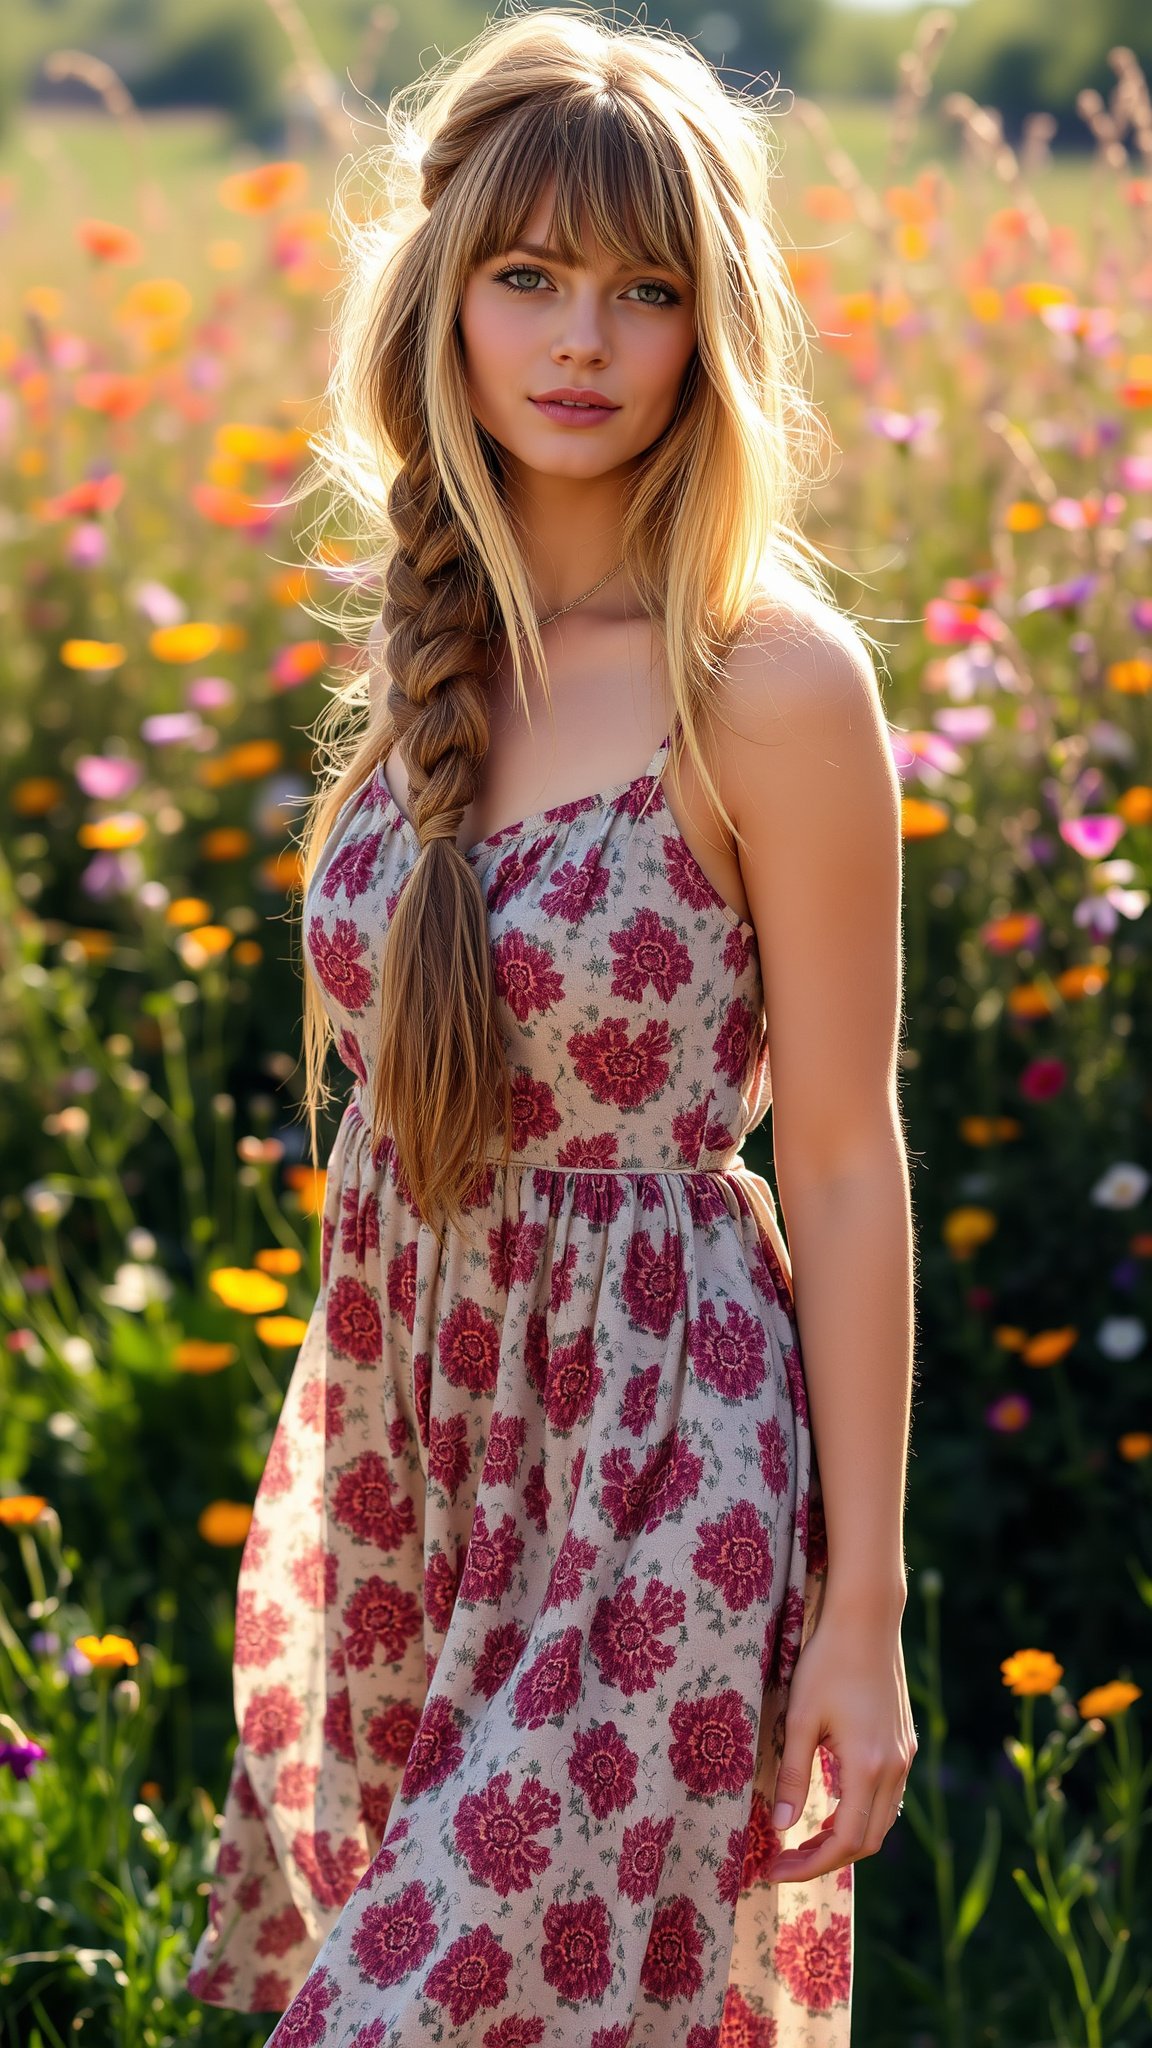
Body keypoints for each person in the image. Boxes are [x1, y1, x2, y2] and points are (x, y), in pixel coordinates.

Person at [185, 7, 918, 2042]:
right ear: (446, 298)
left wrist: (860, 1616)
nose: (580, 338)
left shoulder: (767, 682)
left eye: (643, 289)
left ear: (710, 329)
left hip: (663, 1466)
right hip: (417, 1453)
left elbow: (844, 1162)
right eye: (528, 278)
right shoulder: (428, 646)